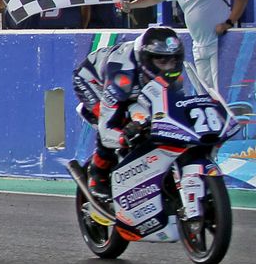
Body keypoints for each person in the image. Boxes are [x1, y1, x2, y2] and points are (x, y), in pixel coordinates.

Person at [118, 0, 249, 95]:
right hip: (199, 44)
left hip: (219, 42)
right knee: (204, 92)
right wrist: (131, 5)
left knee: (221, 91)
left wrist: (228, 23)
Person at [72, 26, 188, 199]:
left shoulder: (173, 77)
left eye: (173, 60)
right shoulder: (122, 75)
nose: (169, 67)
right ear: (146, 58)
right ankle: (98, 174)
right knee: (117, 121)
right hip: (92, 82)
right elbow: (107, 126)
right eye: (162, 61)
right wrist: (122, 136)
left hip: (134, 86)